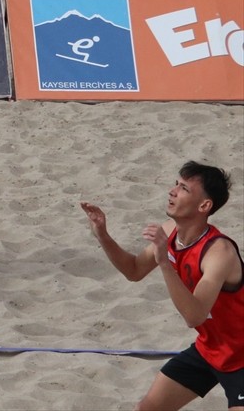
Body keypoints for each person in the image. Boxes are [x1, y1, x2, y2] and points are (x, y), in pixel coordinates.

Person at [80, 162, 242, 411]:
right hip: (210, 349)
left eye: (184, 188)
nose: (172, 191)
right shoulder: (170, 232)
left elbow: (194, 315)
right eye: (176, 184)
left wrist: (164, 262)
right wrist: (102, 234)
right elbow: (133, 271)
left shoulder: (219, 252)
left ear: (204, 206)